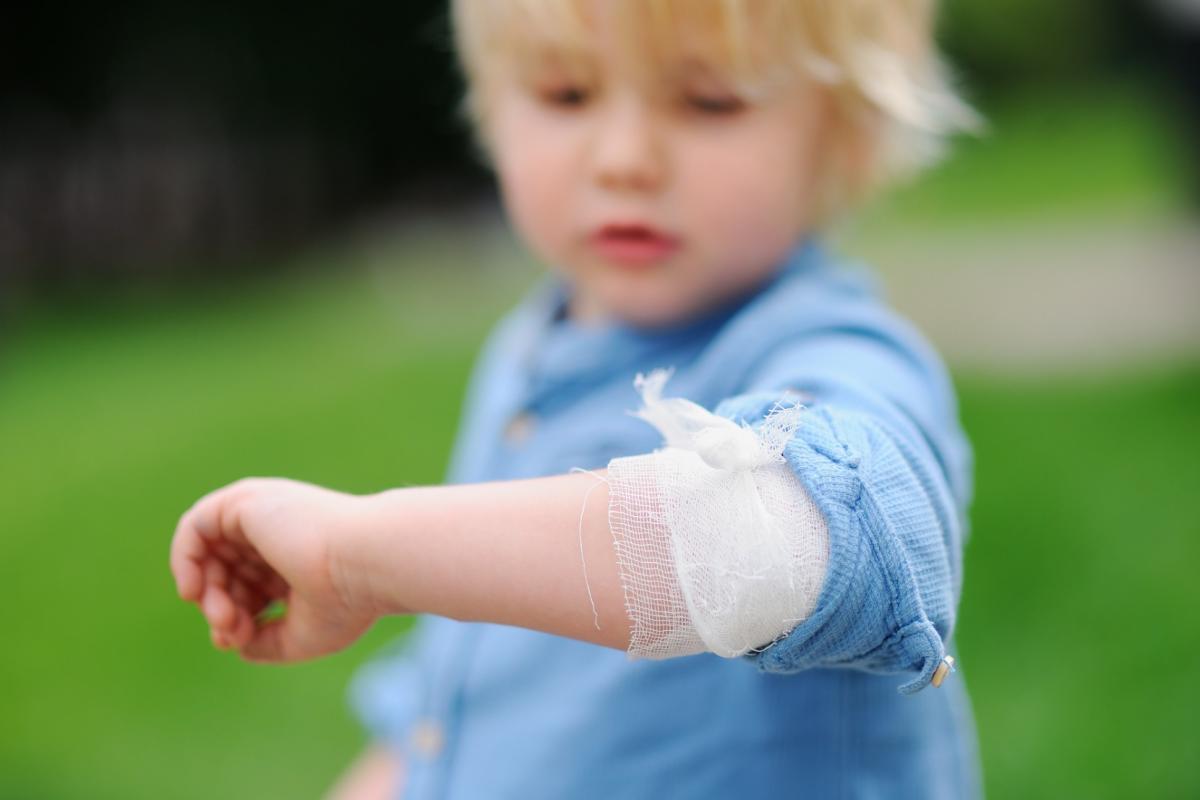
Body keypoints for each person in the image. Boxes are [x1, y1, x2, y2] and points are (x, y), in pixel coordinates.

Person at [169, 1, 984, 797]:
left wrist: (365, 556)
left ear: (845, 136)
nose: (624, 158)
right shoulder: (529, 347)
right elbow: (467, 681)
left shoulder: (829, 349)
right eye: (566, 94)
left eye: (710, 100)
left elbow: (811, 545)